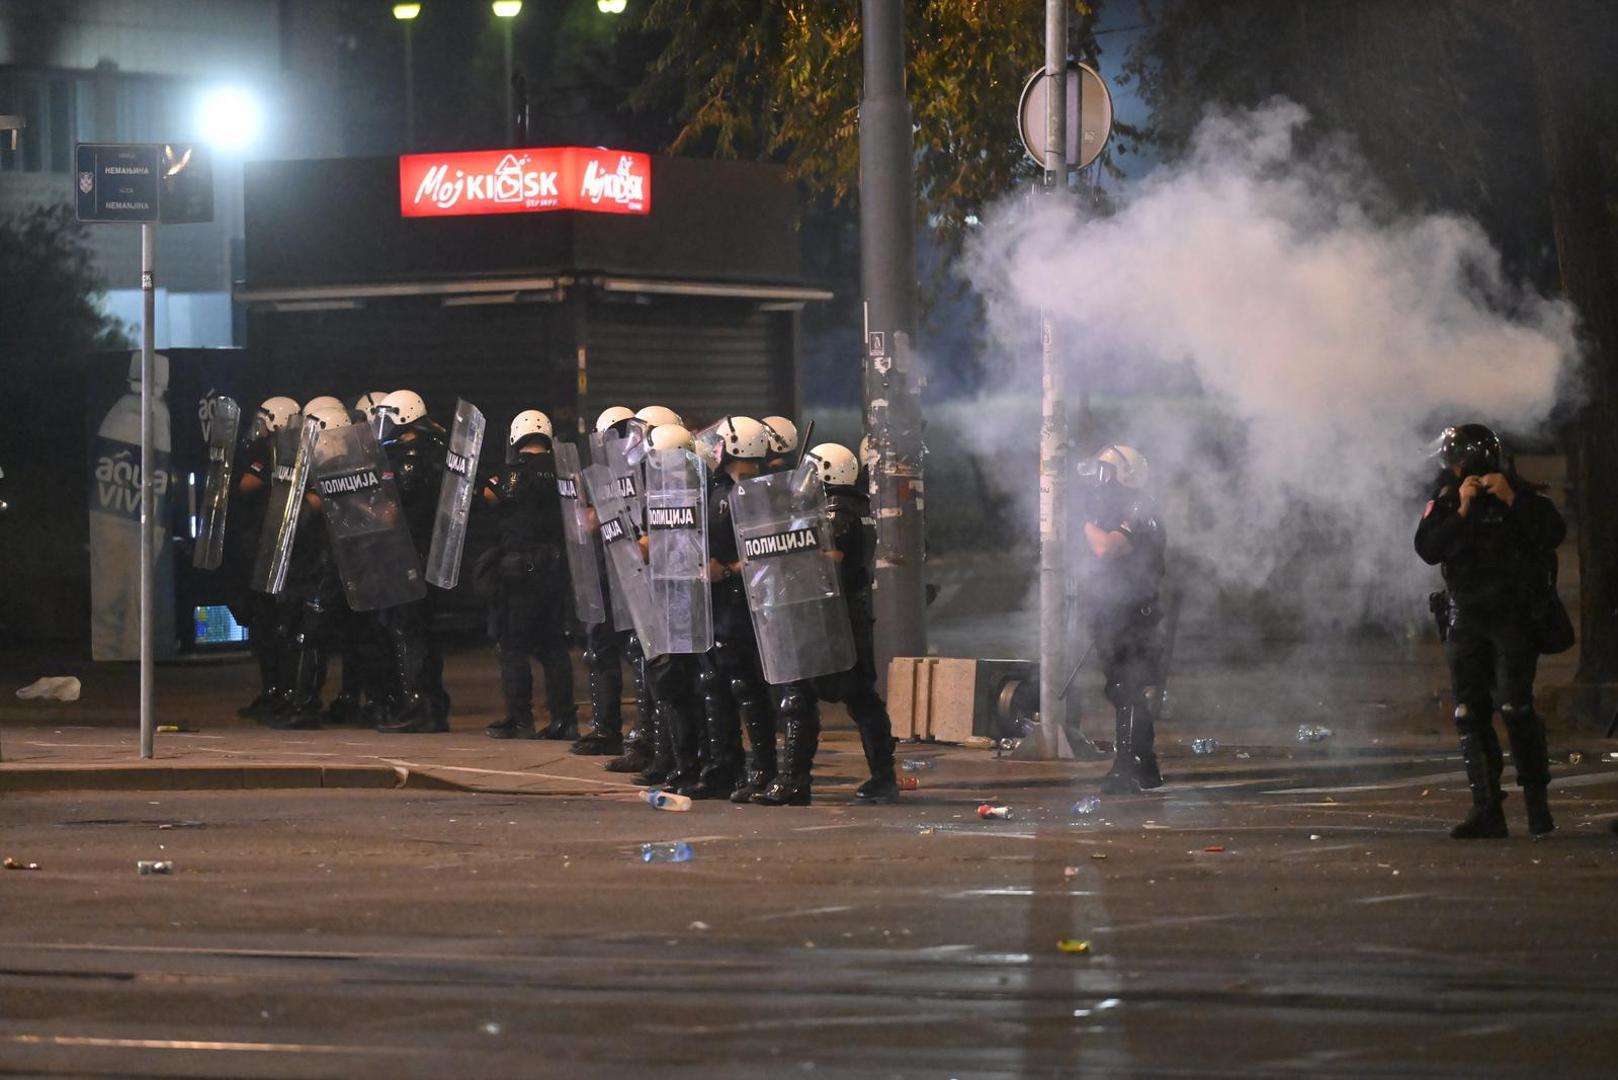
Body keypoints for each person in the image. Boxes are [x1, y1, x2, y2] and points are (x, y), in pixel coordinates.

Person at [1416, 423, 1566, 839]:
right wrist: (1461, 511)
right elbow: (1428, 549)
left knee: (1516, 708)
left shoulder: (1519, 495)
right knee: (1468, 712)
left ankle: (1538, 806)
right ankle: (1487, 809)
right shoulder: (1448, 500)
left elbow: (1552, 534)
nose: (1454, 467)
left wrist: (1513, 500)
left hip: (1513, 619)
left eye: (1457, 459)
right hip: (1466, 618)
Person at [804, 442, 900, 803]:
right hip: (854, 611)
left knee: (810, 694)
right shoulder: (861, 506)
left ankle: (798, 774)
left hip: (837, 613)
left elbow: (832, 557)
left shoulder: (836, 510)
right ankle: (882, 773)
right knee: (862, 698)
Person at [478, 410, 578, 741]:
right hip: (556, 570)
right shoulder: (565, 473)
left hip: (520, 573)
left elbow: (489, 495)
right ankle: (564, 719)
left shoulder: (514, 473)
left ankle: (520, 718)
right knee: (552, 646)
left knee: (513, 646)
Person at [1075, 445, 1168, 795]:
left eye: (1106, 473)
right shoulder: (1114, 509)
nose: (1101, 481)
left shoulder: (1140, 508)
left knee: (1128, 689)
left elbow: (1107, 548)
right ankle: (1141, 766)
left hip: (1133, 615)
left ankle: (1131, 767)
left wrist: (1082, 523)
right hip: (1113, 611)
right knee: (1121, 689)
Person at [372, 389, 451, 734]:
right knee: (422, 632)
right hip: (427, 552)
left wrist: (361, 508)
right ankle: (433, 706)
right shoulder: (436, 447)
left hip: (409, 553)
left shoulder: (411, 453)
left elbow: (392, 508)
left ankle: (417, 706)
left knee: (407, 631)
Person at [230, 395, 300, 718]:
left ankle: (284, 692)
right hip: (265, 545)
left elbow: (246, 484)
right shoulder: (283, 451)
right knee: (265, 624)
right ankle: (274, 690)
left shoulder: (273, 452)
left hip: (270, 546)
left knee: (275, 624)